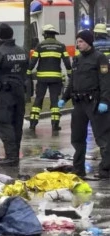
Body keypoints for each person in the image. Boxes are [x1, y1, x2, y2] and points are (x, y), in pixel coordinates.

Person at [58, 30, 110, 179]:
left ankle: (105, 170)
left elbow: (105, 81)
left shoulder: (100, 58)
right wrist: (64, 98)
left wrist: (105, 101)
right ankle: (78, 169)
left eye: (81, 41)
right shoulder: (77, 59)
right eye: (78, 41)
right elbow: (72, 82)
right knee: (77, 137)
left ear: (88, 42)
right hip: (79, 103)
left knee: (103, 138)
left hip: (94, 102)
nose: (78, 44)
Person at [0, 23, 28, 166]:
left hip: (5, 92)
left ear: (0, 36)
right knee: (17, 123)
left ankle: (10, 156)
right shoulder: (22, 51)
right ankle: (15, 154)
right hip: (20, 90)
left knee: (5, 123)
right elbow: (25, 70)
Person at [27, 24, 72, 132]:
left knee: (38, 100)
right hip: (55, 78)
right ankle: (55, 125)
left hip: (42, 78)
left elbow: (33, 61)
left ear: (45, 34)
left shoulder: (40, 46)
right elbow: (66, 61)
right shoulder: (61, 46)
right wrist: (70, 73)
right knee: (54, 101)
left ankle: (33, 124)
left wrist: (28, 72)